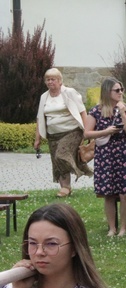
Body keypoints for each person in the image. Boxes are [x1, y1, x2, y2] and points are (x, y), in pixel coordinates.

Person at [84, 77, 126, 237]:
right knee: (108, 193)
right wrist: (106, 131)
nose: (120, 93)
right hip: (105, 154)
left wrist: (122, 113)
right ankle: (112, 228)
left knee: (125, 192)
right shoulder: (95, 111)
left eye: (121, 90)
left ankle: (123, 228)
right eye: (117, 90)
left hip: (123, 152)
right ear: (107, 92)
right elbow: (87, 133)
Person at [33, 68, 93, 197]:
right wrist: (37, 138)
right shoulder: (44, 97)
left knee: (61, 155)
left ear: (60, 81)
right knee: (56, 161)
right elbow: (40, 118)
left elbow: (82, 111)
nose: (50, 82)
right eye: (47, 80)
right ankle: (65, 188)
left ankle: (77, 172)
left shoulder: (69, 93)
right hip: (53, 135)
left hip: (72, 131)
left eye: (53, 79)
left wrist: (87, 131)